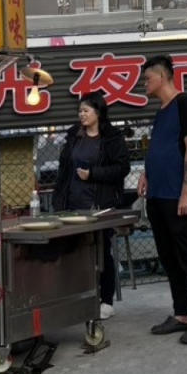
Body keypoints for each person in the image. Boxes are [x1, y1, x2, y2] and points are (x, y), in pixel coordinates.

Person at [138, 54, 187, 345]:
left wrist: (186, 192)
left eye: (147, 78)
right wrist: (145, 173)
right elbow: (160, 147)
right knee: (168, 258)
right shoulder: (160, 111)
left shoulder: (185, 104)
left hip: (176, 196)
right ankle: (181, 315)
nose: (144, 84)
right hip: (156, 195)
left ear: (163, 77)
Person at [52, 92, 130, 320]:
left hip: (100, 205)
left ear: (98, 112)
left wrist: (93, 174)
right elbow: (63, 171)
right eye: (80, 111)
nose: (81, 115)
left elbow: (122, 168)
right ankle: (81, 298)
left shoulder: (112, 137)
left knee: (102, 251)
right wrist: (59, 200)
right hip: (73, 204)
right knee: (76, 252)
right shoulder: (74, 135)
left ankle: (106, 299)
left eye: (86, 110)